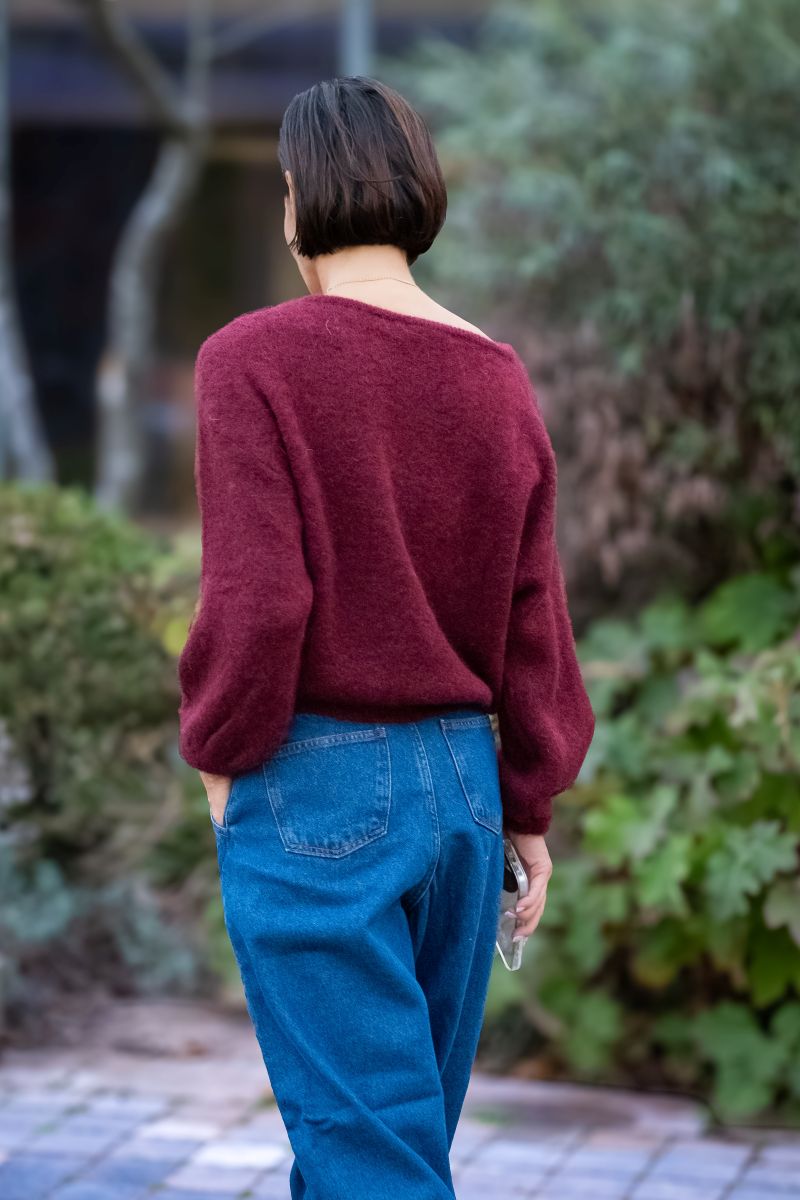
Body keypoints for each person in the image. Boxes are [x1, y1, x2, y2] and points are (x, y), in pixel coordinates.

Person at [177, 75, 595, 1200]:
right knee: (388, 1145)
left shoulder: (249, 359)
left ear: (299, 201)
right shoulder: (494, 377)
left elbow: (259, 601)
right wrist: (526, 806)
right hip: (460, 793)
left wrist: (221, 756)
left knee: (368, 1160)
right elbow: (532, 617)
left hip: (316, 787)